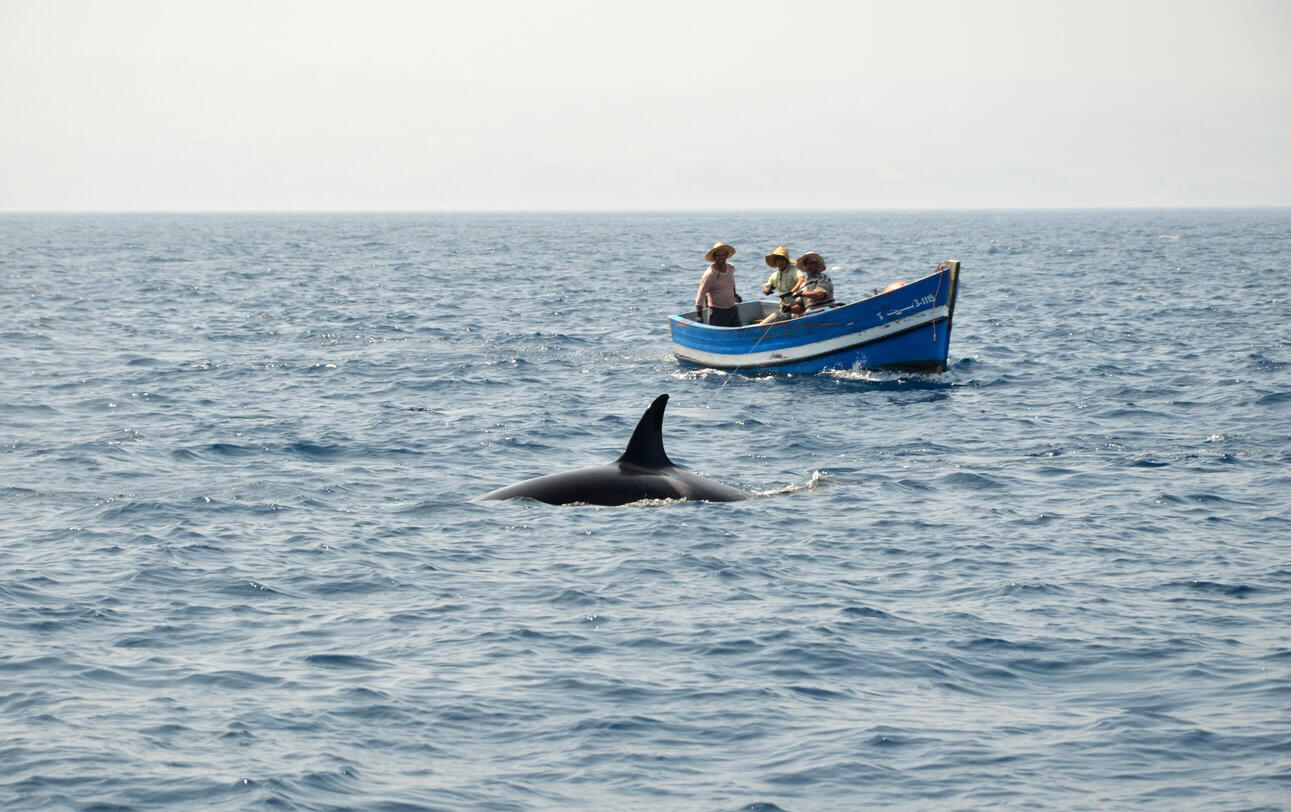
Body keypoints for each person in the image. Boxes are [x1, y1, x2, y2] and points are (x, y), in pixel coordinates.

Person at [759, 250, 835, 324]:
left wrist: (802, 293)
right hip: (809, 313)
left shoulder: (822, 277)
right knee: (795, 316)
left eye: (811, 263)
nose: (809, 266)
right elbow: (801, 308)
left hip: (824, 311)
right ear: (804, 267)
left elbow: (820, 294)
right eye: (806, 263)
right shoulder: (804, 285)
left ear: (817, 264)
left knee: (802, 317)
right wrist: (789, 309)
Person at [694, 241, 742, 327]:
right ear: (714, 257)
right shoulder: (710, 274)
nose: (721, 257)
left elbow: (731, 282)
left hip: (732, 309)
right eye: (718, 255)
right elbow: (700, 295)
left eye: (723, 255)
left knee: (738, 333)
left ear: (727, 256)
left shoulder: (730, 268)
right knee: (722, 336)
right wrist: (699, 316)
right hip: (718, 312)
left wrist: (735, 295)